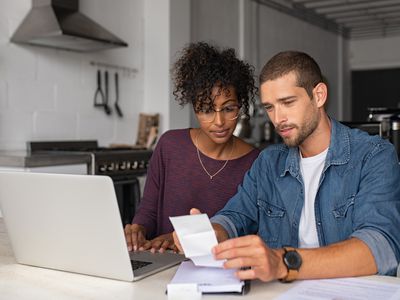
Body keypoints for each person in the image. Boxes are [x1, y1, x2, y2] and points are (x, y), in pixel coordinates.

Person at [175, 51, 400, 282]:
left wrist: (284, 262)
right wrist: (212, 231)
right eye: (270, 107)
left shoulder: (374, 155)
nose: (278, 118)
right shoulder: (268, 163)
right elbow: (235, 215)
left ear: (319, 95)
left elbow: (380, 247)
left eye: (288, 102)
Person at [124, 42, 260, 253]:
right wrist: (138, 230)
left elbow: (246, 229)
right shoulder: (170, 145)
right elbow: (148, 209)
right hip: (159, 263)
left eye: (228, 108)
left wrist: (180, 238)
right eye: (206, 110)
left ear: (240, 106)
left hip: (217, 271)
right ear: (194, 108)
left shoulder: (255, 162)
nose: (219, 121)